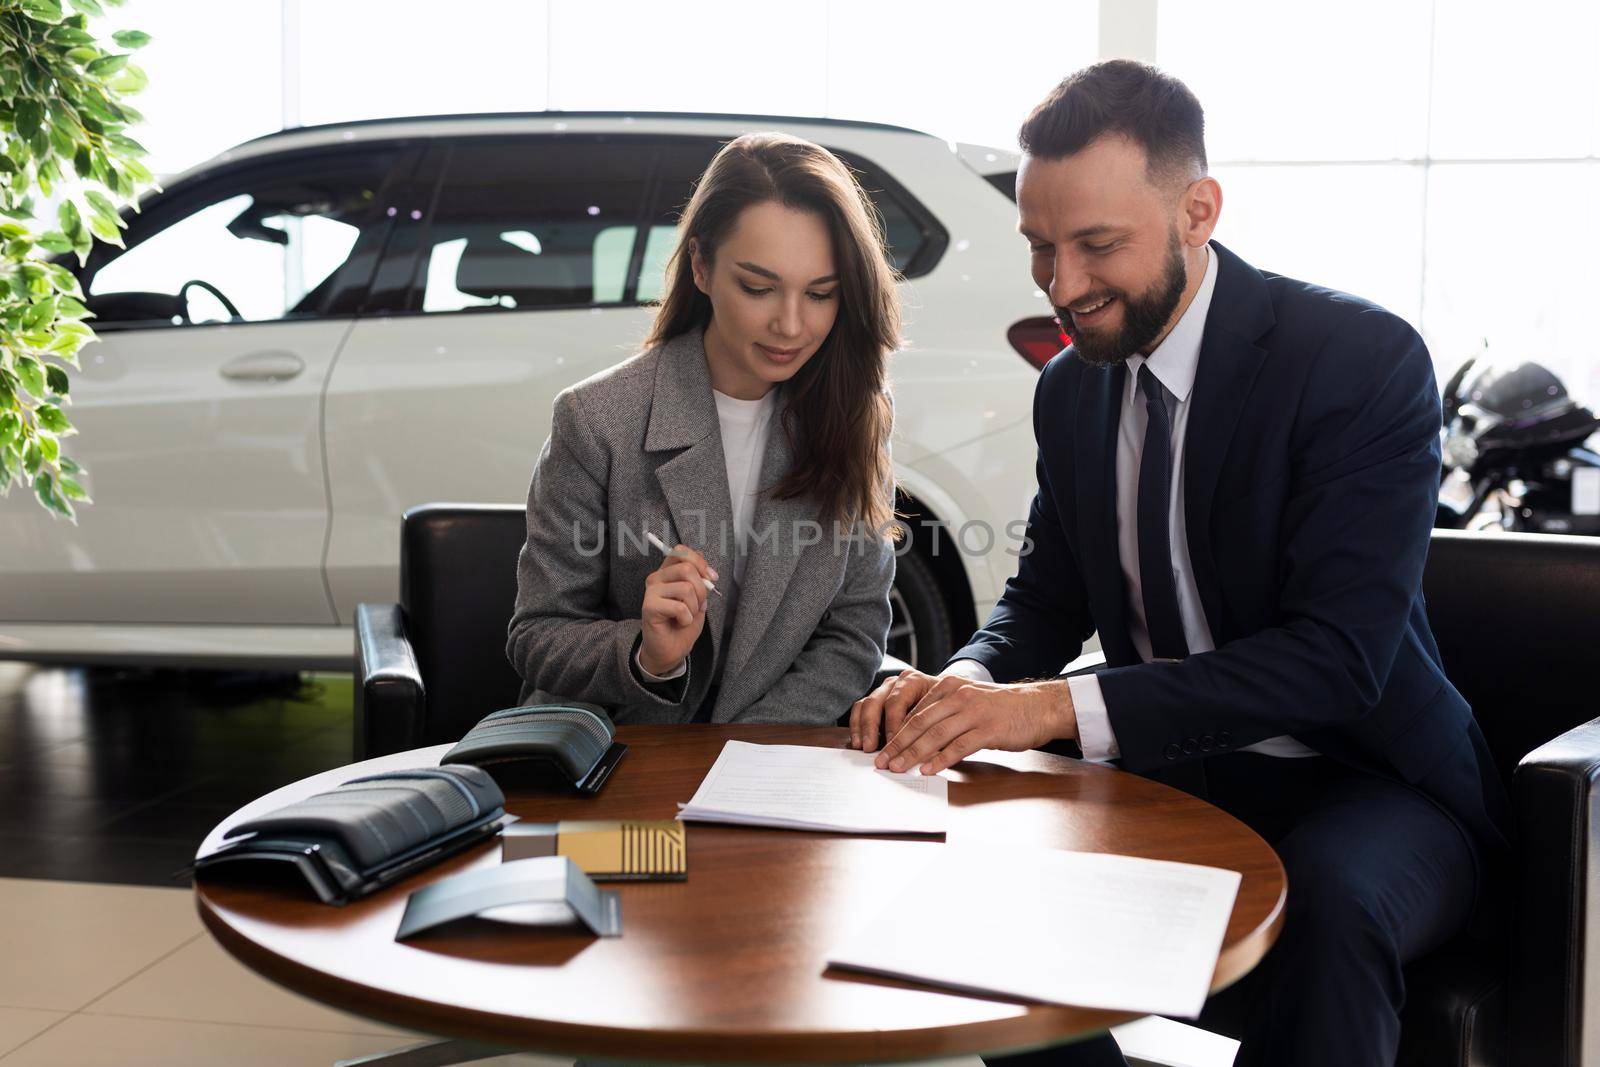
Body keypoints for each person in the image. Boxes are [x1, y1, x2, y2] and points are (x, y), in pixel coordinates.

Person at [850, 61, 1509, 1067]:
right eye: (1040, 249)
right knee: (978, 883)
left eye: (1096, 245)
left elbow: (1335, 660)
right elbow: (1042, 596)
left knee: (1327, 903)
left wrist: (1049, 708)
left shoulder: (1356, 360)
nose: (1063, 286)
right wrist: (968, 679)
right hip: (1175, 779)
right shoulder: (1072, 389)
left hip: (1370, 781)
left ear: (1197, 210)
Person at [507, 132, 900, 726]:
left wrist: (748, 753)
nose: (790, 325)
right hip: (620, 759)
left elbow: (855, 627)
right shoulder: (595, 420)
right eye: (758, 287)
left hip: (769, 768)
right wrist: (646, 655)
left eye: (821, 294)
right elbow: (538, 634)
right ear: (700, 266)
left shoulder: (854, 411)